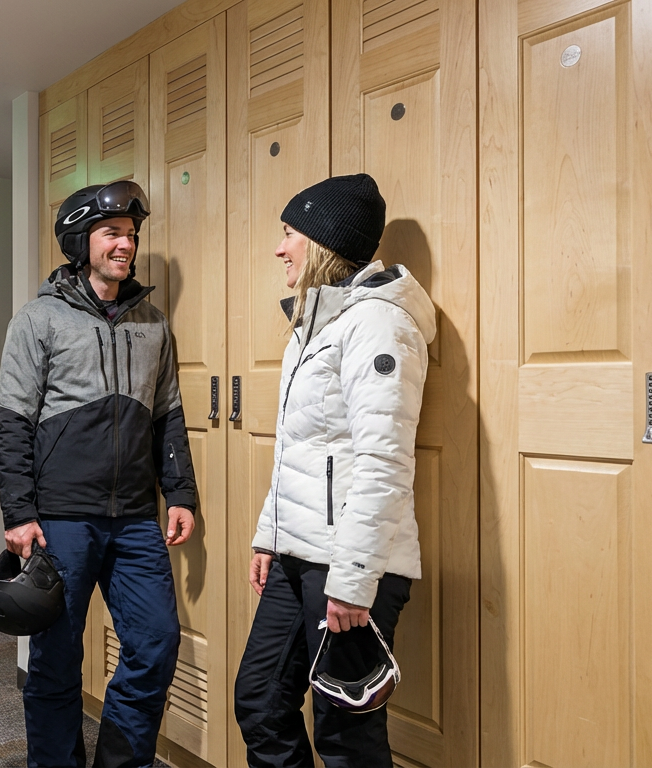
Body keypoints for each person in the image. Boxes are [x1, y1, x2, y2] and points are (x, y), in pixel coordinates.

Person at [0, 180, 198, 768]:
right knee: (56, 659)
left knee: (156, 643)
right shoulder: (38, 320)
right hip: (61, 519)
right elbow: (12, 422)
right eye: (112, 234)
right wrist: (19, 513)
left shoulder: (154, 324)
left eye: (131, 236)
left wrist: (180, 492)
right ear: (80, 240)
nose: (125, 246)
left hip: (135, 518)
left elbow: (169, 416)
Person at [233, 174, 434, 767]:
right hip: (297, 556)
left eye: (288, 233)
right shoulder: (314, 322)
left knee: (345, 735)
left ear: (321, 241)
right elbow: (299, 447)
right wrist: (270, 535)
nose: (278, 249)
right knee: (261, 703)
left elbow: (384, 462)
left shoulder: (378, 323)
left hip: (347, 566)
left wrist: (351, 580)